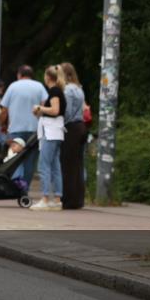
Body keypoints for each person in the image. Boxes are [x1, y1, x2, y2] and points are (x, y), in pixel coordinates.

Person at [0, 65, 48, 191]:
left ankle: (17, 185)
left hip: (16, 129)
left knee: (15, 159)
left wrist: (1, 123)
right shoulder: (39, 86)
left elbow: (4, 110)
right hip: (35, 130)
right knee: (30, 161)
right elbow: (45, 105)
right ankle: (24, 189)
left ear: (19, 74)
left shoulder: (13, 87)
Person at [31, 65, 65, 210]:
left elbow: (55, 110)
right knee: (55, 166)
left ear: (48, 77)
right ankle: (57, 199)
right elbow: (54, 111)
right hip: (56, 132)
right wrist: (40, 112)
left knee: (43, 165)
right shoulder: (58, 91)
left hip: (51, 133)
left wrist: (39, 108)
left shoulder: (54, 91)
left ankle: (45, 198)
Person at [59, 62, 87, 210]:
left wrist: (60, 124)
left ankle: (68, 199)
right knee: (77, 165)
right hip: (80, 126)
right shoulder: (78, 88)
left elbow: (67, 112)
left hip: (71, 129)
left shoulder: (67, 90)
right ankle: (78, 199)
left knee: (67, 165)